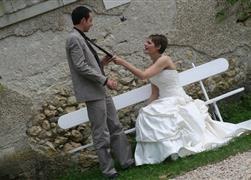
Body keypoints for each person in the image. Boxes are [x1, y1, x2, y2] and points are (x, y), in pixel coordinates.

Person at [113, 34, 251, 166]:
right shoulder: (153, 66)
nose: (145, 44)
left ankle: (175, 149)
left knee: (169, 115)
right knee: (146, 114)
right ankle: (163, 153)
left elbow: (143, 76)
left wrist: (123, 62)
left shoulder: (164, 60)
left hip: (176, 98)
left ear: (158, 46)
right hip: (165, 99)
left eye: (149, 42)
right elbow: (155, 93)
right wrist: (146, 107)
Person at [65, 6, 134, 178]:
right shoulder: (74, 39)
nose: (92, 23)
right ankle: (108, 171)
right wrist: (105, 80)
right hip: (93, 92)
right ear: (83, 21)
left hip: (100, 90)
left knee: (115, 126)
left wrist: (101, 63)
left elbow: (88, 65)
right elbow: (80, 67)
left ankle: (127, 162)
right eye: (91, 20)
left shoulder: (81, 37)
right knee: (101, 133)